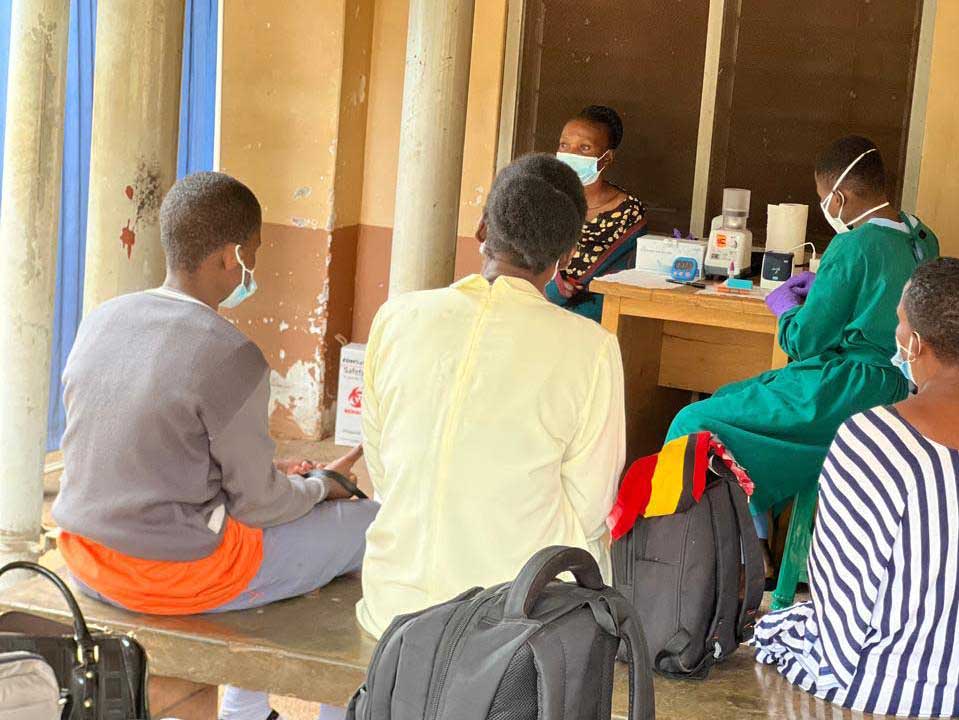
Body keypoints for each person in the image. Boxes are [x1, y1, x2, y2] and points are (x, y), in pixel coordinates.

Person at [52, 172, 376, 720]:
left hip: (84, 557)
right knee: (372, 529)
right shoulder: (233, 356)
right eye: (253, 253)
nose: (254, 266)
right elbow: (260, 505)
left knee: (287, 522)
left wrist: (278, 474)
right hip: (173, 574)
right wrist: (321, 487)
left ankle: (250, 708)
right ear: (231, 258)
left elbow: (152, 447)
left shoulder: (103, 318)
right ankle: (307, 710)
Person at [754, 258, 959, 717]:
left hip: (876, 687)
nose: (897, 338)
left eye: (899, 324)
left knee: (771, 630)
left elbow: (840, 608)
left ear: (915, 343)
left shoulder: (870, 436)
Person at [357, 153, 626, 637]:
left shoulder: (397, 317)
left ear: (482, 228)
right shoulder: (592, 348)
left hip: (393, 609)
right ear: (566, 255)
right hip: (514, 622)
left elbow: (383, 467)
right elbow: (591, 503)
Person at [666, 136, 940, 569]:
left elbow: (806, 342)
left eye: (822, 200)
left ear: (838, 196)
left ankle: (686, 555)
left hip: (850, 390)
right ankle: (751, 541)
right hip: (900, 386)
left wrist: (787, 309)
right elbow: (878, 302)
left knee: (695, 420)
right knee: (730, 400)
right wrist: (826, 294)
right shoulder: (920, 237)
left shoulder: (853, 246)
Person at [545, 105, 647, 322]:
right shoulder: (543, 199)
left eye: (584, 148)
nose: (570, 154)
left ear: (607, 158)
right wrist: (551, 283)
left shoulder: (628, 212)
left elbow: (621, 279)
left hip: (593, 320)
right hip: (533, 311)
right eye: (564, 145)